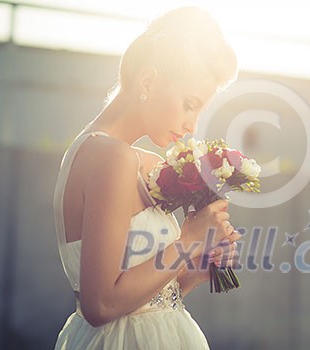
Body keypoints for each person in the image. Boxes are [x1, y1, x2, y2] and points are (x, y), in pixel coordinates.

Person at [53, 6, 241, 349]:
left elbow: (138, 303)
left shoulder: (120, 156)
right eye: (189, 103)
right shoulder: (112, 157)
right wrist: (188, 239)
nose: (192, 125)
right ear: (148, 81)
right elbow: (101, 305)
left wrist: (194, 267)